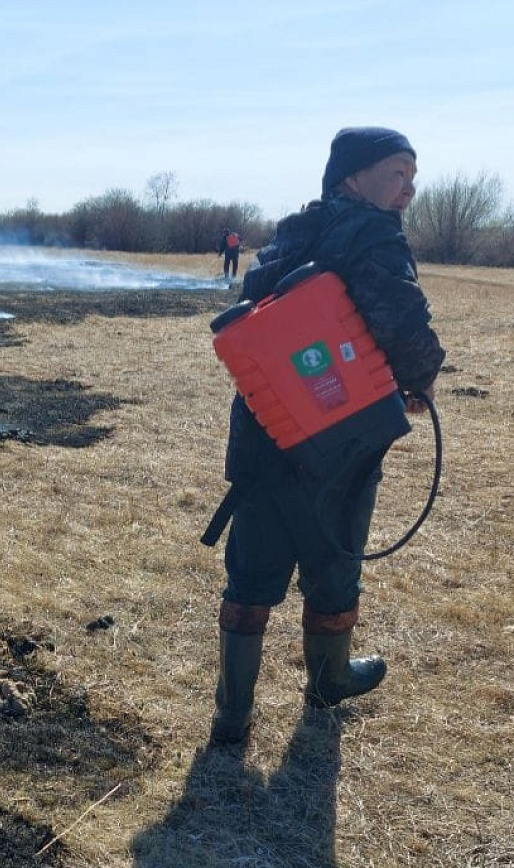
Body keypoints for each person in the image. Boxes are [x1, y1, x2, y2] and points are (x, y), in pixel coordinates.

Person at [209, 127, 445, 745]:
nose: (409, 188)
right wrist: (420, 381)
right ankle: (328, 682)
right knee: (334, 560)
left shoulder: (291, 232)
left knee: (253, 567)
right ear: (353, 176)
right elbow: (403, 320)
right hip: (342, 436)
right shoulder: (374, 233)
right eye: (398, 172)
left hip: (265, 428)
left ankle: (232, 717)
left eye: (412, 175)